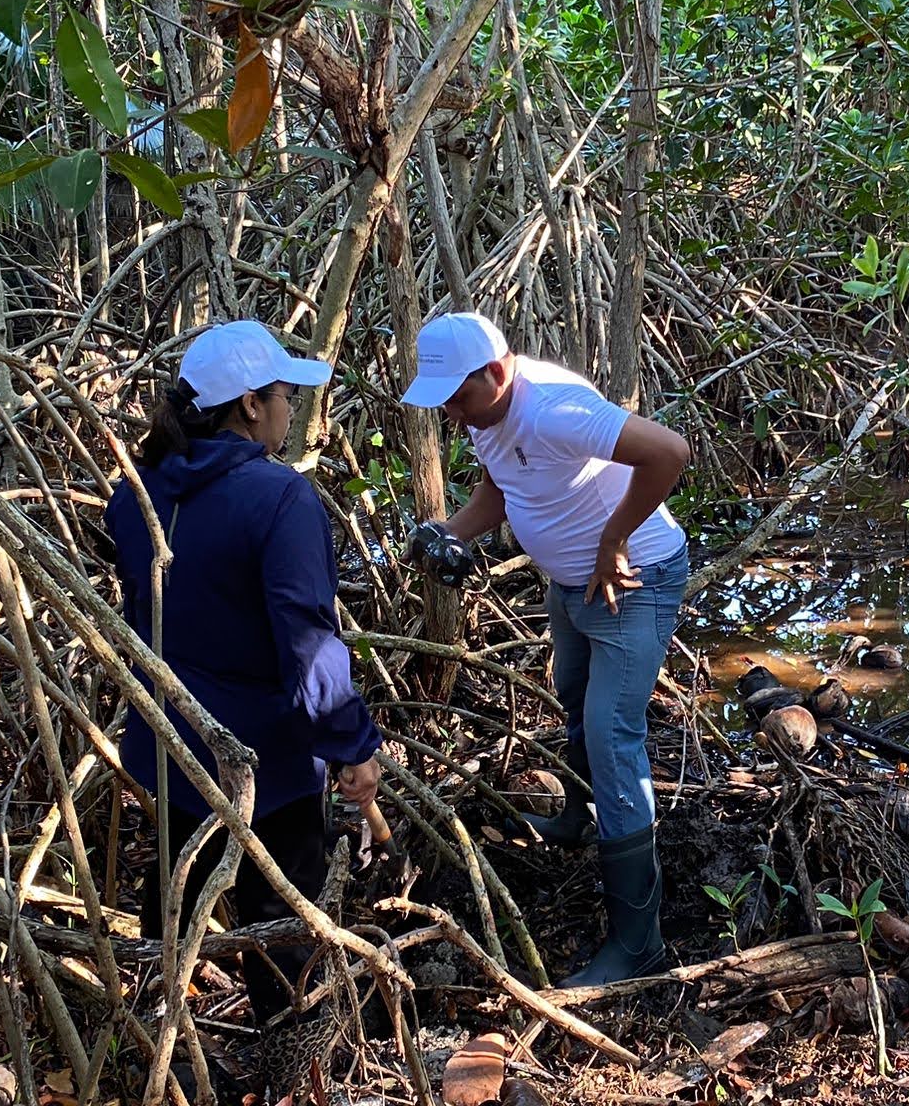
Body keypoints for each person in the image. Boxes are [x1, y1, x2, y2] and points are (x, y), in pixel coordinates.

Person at [105, 320, 386, 1026]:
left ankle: (152, 1034)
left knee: (176, 886)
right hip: (266, 762)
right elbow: (308, 643)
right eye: (286, 394)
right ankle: (295, 1058)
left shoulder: (133, 495)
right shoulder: (279, 499)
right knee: (283, 916)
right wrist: (350, 745)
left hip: (166, 746)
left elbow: (147, 618)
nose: (294, 409)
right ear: (252, 406)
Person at [399, 312, 690, 987]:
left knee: (613, 735)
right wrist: (453, 531)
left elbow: (669, 452)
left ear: (496, 373)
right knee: (572, 696)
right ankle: (580, 817)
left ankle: (638, 942)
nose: (452, 413)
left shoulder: (556, 409)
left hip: (631, 580)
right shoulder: (484, 412)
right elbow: (504, 487)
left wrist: (614, 538)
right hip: (571, 583)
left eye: (459, 397)